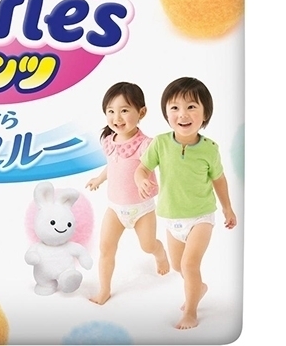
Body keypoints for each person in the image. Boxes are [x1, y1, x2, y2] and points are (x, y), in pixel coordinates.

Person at [134, 77, 237, 330]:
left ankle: (190, 311)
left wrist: (227, 208)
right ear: (166, 113)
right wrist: (141, 180)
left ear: (205, 114)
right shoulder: (160, 143)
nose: (183, 114)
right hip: (172, 218)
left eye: (191, 107)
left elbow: (219, 179)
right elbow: (142, 168)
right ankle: (198, 287)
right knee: (178, 266)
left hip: (201, 216)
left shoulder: (209, 149)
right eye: (175, 108)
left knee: (190, 265)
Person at [86, 82, 169, 305]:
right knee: (106, 248)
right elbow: (113, 165)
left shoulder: (146, 145)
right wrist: (99, 179)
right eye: (111, 111)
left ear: (141, 112)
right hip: (115, 209)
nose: (117, 118)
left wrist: (148, 183)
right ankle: (104, 290)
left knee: (147, 245)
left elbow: (154, 168)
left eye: (124, 110)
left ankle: (160, 253)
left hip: (142, 209)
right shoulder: (109, 141)